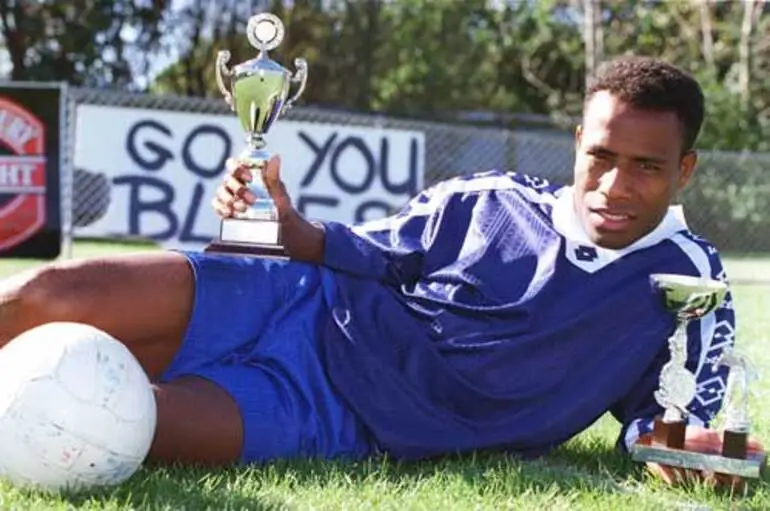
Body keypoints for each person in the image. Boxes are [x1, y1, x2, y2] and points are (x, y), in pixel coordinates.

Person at [0, 56, 761, 486]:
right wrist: (279, 220)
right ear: (577, 143)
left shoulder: (686, 281)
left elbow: (667, 418)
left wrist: (682, 452)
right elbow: (370, 249)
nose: (614, 186)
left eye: (646, 167)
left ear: (685, 170)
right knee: (48, 295)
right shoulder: (491, 199)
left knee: (104, 423)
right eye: (601, 156)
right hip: (296, 300)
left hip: (339, 414)